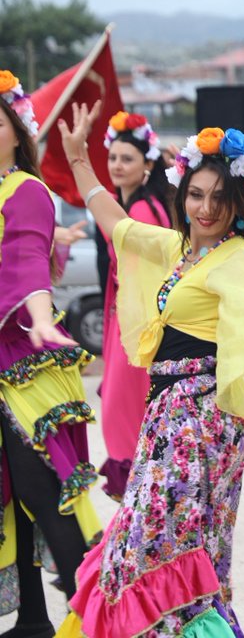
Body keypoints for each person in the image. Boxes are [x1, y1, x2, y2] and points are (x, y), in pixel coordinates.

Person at [57, 104, 244, 637]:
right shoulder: (181, 250)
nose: (206, 208)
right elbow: (118, 225)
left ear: (239, 204)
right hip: (169, 412)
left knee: (163, 544)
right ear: (181, 196)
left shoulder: (238, 259)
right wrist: (78, 161)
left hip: (201, 420)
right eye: (196, 195)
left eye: (219, 197)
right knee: (157, 541)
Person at [0, 73, 98, 638]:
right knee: (12, 493)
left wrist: (39, 316)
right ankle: (34, 618)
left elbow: (26, 260)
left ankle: (94, 617)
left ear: (18, 131)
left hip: (23, 357)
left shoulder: (26, 190)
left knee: (43, 489)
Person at [96, 110, 173, 500]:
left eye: (127, 158)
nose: (117, 165)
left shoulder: (143, 210)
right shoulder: (124, 204)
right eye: (113, 157)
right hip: (124, 319)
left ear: (147, 165)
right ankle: (144, 497)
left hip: (137, 323)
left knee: (121, 412)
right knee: (127, 410)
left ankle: (141, 496)